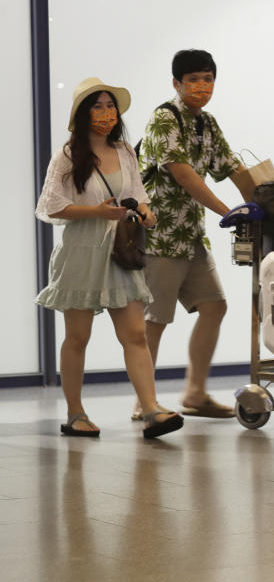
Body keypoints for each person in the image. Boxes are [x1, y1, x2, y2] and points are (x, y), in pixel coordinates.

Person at [35, 77, 184, 439]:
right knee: (78, 337)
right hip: (81, 252)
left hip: (119, 250)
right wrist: (96, 212)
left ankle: (151, 410)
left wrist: (145, 212)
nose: (106, 113)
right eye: (97, 106)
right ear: (83, 114)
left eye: (109, 105)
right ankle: (75, 414)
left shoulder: (125, 151)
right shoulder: (69, 155)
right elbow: (51, 206)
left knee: (135, 333)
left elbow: (137, 193)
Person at [136, 49, 246, 419]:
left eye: (208, 79)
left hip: (191, 236)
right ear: (176, 84)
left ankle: (195, 393)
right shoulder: (163, 119)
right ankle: (144, 400)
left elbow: (232, 166)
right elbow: (184, 174)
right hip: (160, 236)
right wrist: (228, 211)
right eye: (193, 80)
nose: (202, 87)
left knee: (215, 306)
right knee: (155, 320)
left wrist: (265, 202)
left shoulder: (207, 124)